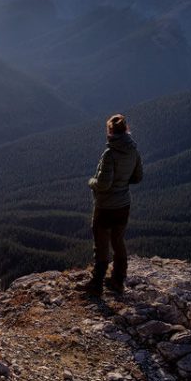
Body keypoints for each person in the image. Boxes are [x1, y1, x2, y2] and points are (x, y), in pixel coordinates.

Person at [81, 114, 143, 296]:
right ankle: (118, 279)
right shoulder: (133, 150)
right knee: (118, 241)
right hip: (123, 204)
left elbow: (103, 184)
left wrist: (91, 182)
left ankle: (96, 284)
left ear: (110, 131)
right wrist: (122, 182)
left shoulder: (110, 154)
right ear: (126, 129)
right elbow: (138, 177)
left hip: (106, 206)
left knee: (101, 244)